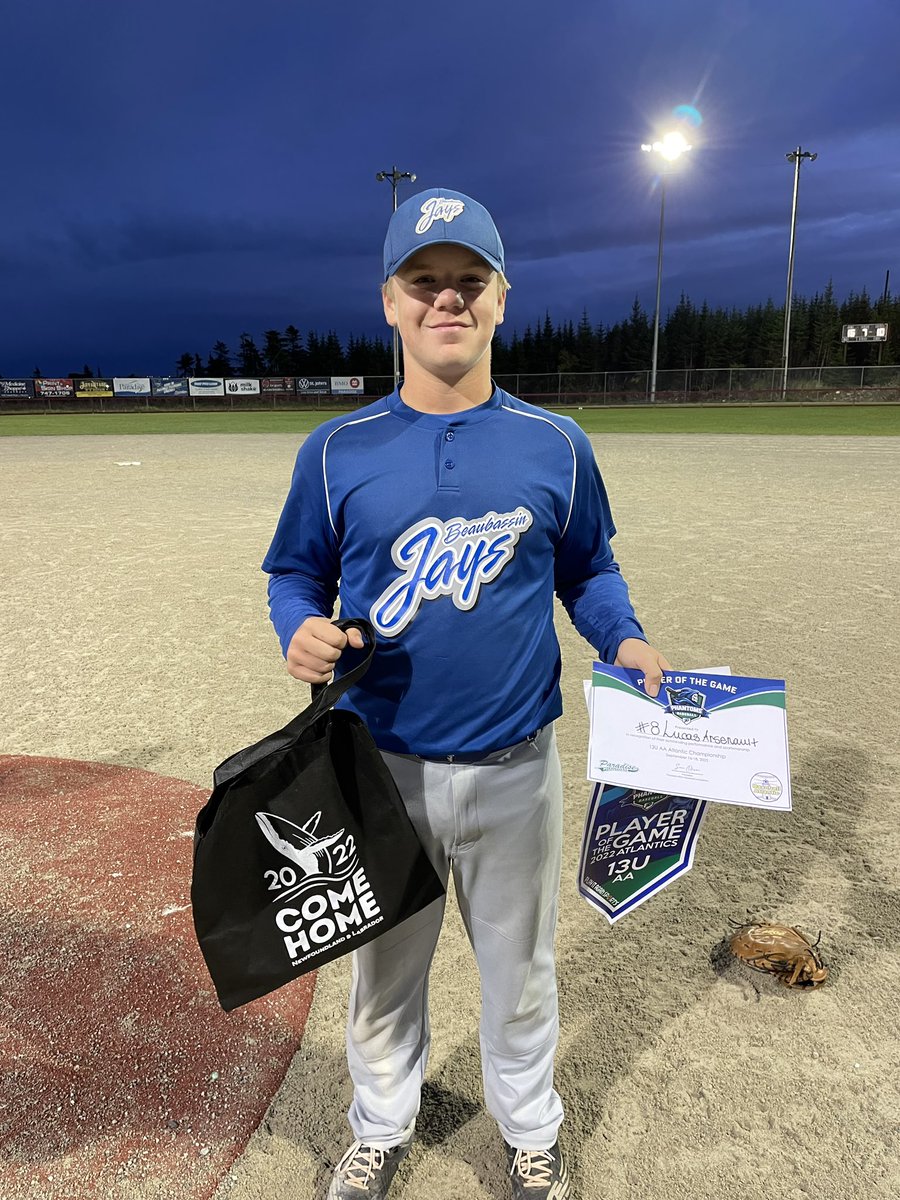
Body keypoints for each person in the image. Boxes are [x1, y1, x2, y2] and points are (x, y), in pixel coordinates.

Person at [262, 187, 670, 1200]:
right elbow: (292, 575)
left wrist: (623, 635)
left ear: (500, 301)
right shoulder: (338, 451)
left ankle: (530, 1134)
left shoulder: (556, 445)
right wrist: (296, 631)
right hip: (379, 766)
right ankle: (379, 1126)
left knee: (521, 977)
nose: (448, 299)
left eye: (468, 283)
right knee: (382, 976)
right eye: (425, 282)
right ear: (390, 302)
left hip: (513, 767)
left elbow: (589, 570)